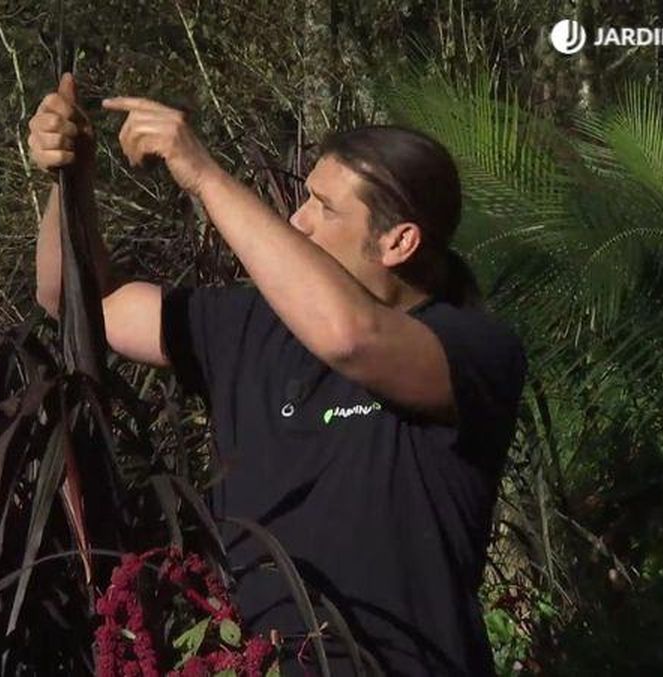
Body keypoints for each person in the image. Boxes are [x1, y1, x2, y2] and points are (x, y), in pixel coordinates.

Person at [29, 72, 527, 676]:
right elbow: (77, 306)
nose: (298, 221)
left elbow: (350, 337)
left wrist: (206, 176)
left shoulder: (472, 349)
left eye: (324, 207)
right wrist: (73, 183)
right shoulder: (248, 327)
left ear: (398, 242)